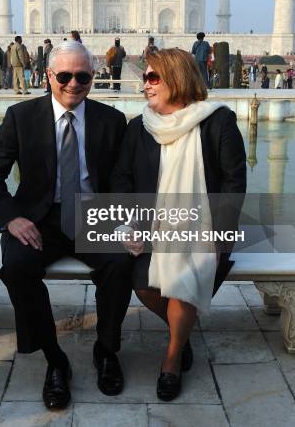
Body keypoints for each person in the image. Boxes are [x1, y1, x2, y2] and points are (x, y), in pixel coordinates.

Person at [0, 41, 132, 411]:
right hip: (38, 218)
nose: (73, 84)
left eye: (82, 76)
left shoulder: (111, 120)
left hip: (94, 215)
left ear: (93, 77)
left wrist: (126, 222)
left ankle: (106, 349)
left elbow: (122, 180)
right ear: (49, 76)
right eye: (64, 76)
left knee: (121, 263)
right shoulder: (22, 117)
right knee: (16, 268)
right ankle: (54, 358)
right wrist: (11, 218)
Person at [111, 48, 246, 401]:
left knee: (184, 279)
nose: (146, 85)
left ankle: (172, 358)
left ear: (177, 78)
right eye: (145, 78)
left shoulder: (217, 122)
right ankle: (181, 333)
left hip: (204, 229)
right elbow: (122, 180)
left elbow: (234, 184)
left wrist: (219, 239)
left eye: (153, 77)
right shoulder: (139, 127)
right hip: (154, 228)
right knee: (143, 285)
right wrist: (130, 224)